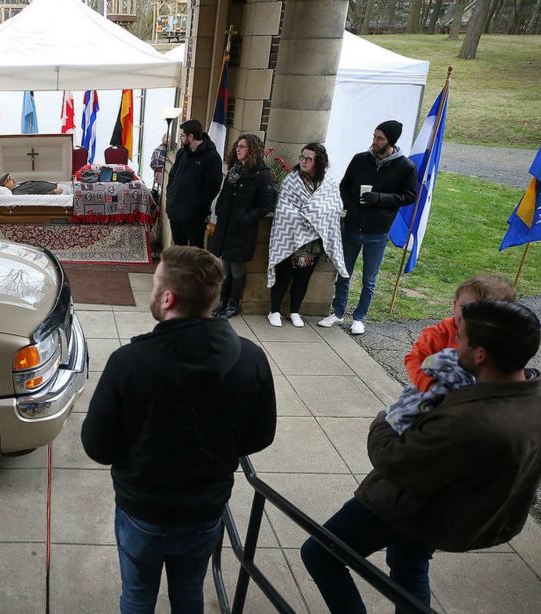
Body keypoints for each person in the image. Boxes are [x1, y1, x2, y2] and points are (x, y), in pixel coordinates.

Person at [301, 300, 541, 613]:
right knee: (408, 568)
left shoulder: (472, 422)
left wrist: (387, 417)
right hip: (444, 508)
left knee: (320, 553)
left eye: (461, 339)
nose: (455, 345)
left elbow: (392, 457)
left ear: (480, 355)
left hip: (404, 508)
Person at [81, 245, 277, 614]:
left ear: (168, 297)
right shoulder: (250, 358)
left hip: (143, 510)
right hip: (205, 510)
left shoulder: (129, 363)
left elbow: (97, 446)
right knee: (189, 593)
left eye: (155, 284)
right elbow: (260, 435)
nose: (151, 291)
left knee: (137, 596)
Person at [318, 120, 416, 335]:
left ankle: (360, 317)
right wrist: (351, 207)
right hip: (353, 226)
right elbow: (344, 186)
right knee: (344, 272)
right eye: (374, 136)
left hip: (378, 230)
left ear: (390, 141)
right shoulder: (360, 159)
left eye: (380, 138)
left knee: (369, 278)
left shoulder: (405, 167)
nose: (375, 141)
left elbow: (409, 196)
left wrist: (380, 198)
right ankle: (338, 311)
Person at [265, 143, 347, 327]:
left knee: (303, 279)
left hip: (314, 242)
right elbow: (284, 209)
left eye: (308, 159)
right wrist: (310, 216)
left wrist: (313, 214)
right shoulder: (291, 180)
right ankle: (275, 310)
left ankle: (295, 311)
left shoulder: (329, 183)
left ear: (319, 162)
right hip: (290, 238)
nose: (303, 161)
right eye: (302, 157)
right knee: (283, 276)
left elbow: (334, 208)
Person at [404, 274, 517, 392]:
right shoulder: (439, 334)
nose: (468, 315)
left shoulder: (498, 339)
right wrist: (429, 384)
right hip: (437, 394)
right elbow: (414, 359)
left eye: (480, 311)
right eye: (464, 307)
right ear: (455, 304)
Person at [207, 134, 275, 318]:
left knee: (237, 268)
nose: (238, 149)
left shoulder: (262, 174)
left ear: (252, 150)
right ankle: (223, 301)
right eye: (238, 145)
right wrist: (220, 209)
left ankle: (233, 304)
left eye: (243, 146)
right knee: (225, 266)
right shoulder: (234, 170)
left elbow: (265, 205)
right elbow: (224, 194)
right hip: (226, 226)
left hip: (242, 230)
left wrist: (245, 217)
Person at [165, 119, 223, 247]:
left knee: (195, 252)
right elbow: (172, 175)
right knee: (179, 250)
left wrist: (196, 208)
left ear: (191, 137)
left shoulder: (212, 158)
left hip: (194, 217)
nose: (180, 138)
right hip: (175, 212)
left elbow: (212, 188)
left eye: (182, 135)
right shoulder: (182, 153)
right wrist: (170, 196)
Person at [0, 172, 64, 195]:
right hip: (59, 192)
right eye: (9, 180)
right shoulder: (17, 192)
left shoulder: (17, 186)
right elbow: (36, 199)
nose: (12, 179)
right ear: (5, 186)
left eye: (10, 177)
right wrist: (53, 192)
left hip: (57, 186)